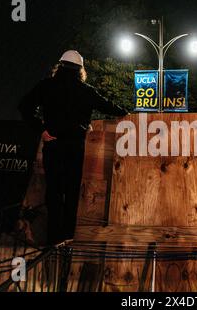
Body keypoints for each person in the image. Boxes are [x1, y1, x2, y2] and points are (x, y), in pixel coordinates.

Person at [19, 50, 127, 245]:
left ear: (59, 66)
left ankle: (52, 240)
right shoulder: (85, 90)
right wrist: (127, 113)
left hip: (52, 144)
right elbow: (111, 108)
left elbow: (24, 106)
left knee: (53, 192)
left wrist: (41, 129)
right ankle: (67, 238)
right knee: (71, 193)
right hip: (75, 147)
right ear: (80, 70)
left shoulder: (46, 86)